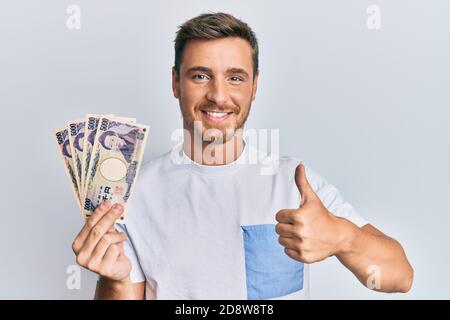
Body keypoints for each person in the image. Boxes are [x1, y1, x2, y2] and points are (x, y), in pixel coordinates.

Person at [71, 12, 413, 300]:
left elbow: (400, 276)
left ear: (255, 85)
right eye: (200, 75)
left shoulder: (296, 184)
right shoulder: (134, 195)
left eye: (235, 78)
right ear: (176, 82)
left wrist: (343, 236)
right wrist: (112, 280)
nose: (218, 96)